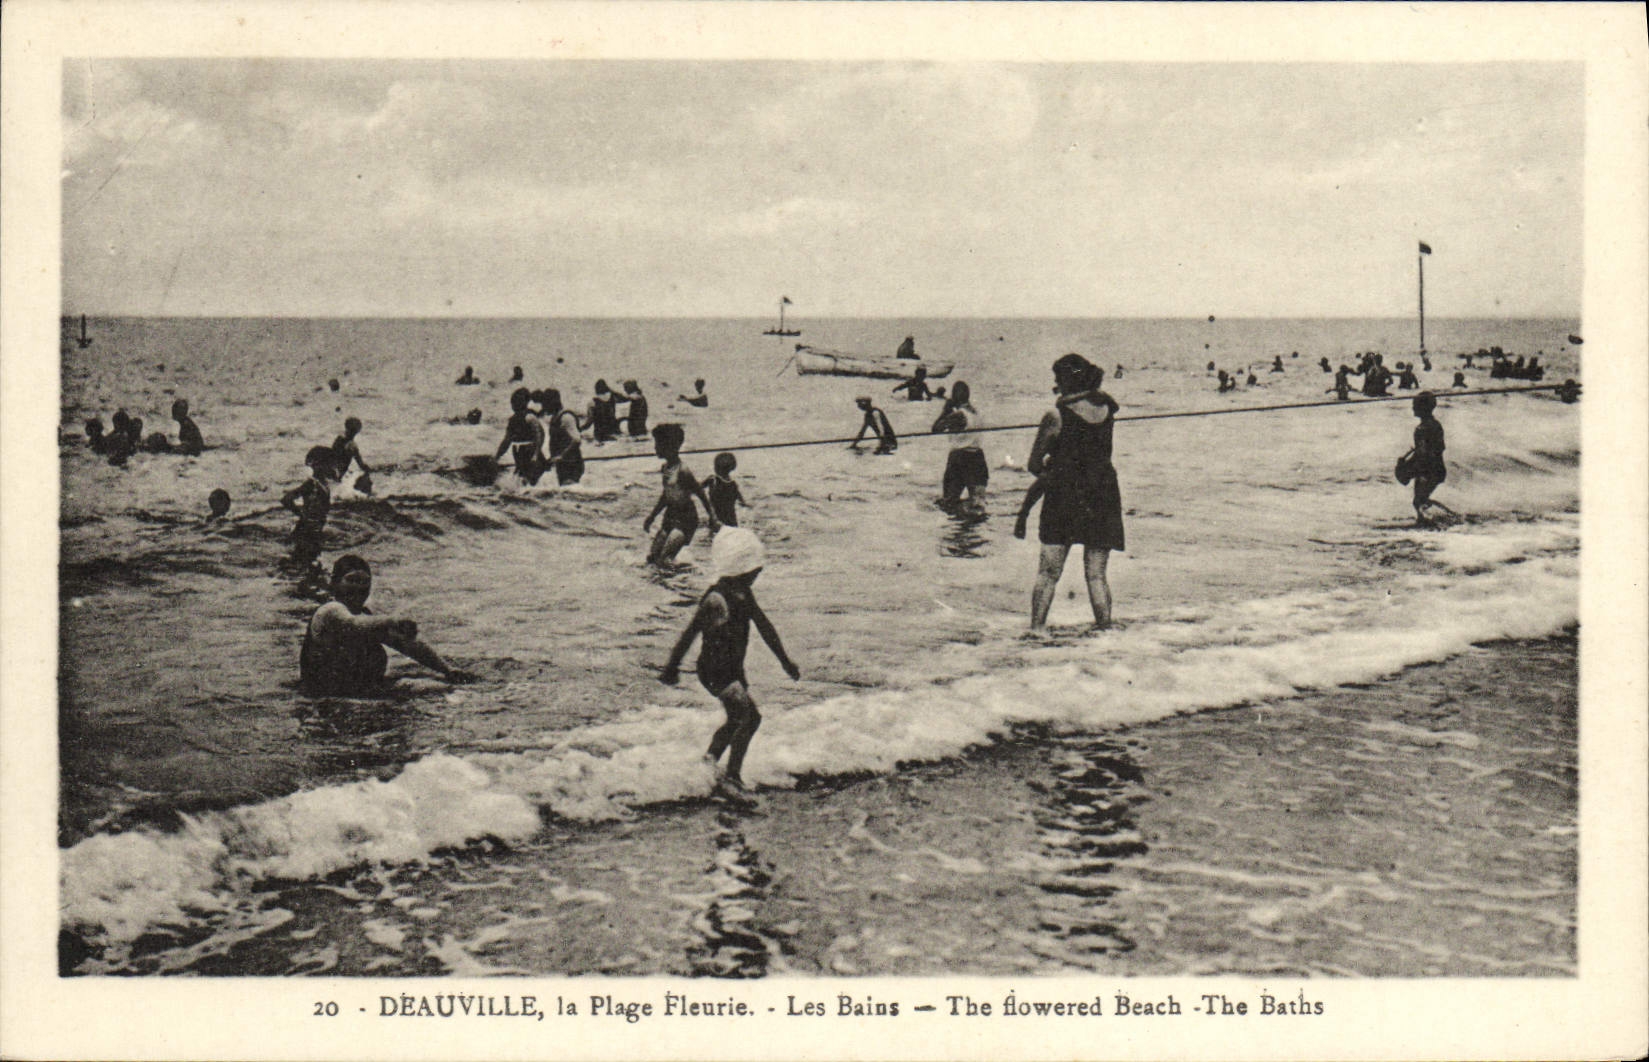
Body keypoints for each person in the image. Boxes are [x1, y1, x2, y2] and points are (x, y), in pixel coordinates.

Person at [660, 528, 799, 794]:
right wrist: (671, 666)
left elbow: (764, 625)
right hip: (715, 670)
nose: (758, 573)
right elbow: (691, 632)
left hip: (732, 668)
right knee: (749, 717)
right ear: (741, 569)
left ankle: (709, 766)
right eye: (755, 569)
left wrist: (785, 661)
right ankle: (731, 776)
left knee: (738, 719)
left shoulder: (743, 593)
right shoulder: (716, 598)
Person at [1025, 354, 1124, 632]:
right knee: (1096, 575)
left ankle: (1036, 632)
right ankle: (1106, 631)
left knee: (1048, 573)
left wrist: (1049, 468)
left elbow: (1033, 464)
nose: (1055, 383)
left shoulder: (1055, 415)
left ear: (1068, 379)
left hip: (1065, 495)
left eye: (1058, 378)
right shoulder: (1107, 408)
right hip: (1103, 492)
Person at [300, 554, 474, 695]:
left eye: (364, 582)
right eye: (351, 580)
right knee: (436, 690)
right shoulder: (330, 610)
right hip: (327, 694)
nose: (358, 587)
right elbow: (354, 624)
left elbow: (407, 645)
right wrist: (393, 621)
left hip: (359, 691)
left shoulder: (366, 617)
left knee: (442, 687)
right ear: (335, 583)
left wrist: (447, 670)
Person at [643, 423, 718, 566]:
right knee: (652, 558)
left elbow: (700, 493)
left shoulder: (683, 471)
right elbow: (666, 495)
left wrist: (712, 517)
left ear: (670, 446)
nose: (655, 448)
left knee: (665, 560)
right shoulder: (665, 468)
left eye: (658, 444)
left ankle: (682, 583)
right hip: (670, 516)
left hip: (686, 520)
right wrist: (652, 516)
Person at [931, 381, 987, 510]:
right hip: (978, 458)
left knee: (948, 501)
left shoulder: (958, 415)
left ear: (955, 397)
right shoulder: (977, 413)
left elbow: (936, 429)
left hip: (959, 458)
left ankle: (955, 526)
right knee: (978, 503)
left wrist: (945, 410)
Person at [1405, 392, 1457, 526]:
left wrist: (1410, 467)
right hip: (1437, 468)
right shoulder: (1436, 425)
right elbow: (1438, 449)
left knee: (1419, 501)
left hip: (1427, 470)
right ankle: (1440, 520)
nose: (1413, 408)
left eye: (1415, 405)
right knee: (1420, 500)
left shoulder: (1421, 429)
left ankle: (1446, 519)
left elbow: (1423, 453)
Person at [282, 446, 336, 567]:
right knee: (306, 564)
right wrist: (302, 514)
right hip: (308, 532)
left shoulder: (322, 483)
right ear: (318, 465)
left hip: (312, 531)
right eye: (329, 463)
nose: (332, 467)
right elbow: (286, 499)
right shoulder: (312, 484)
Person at [493, 387, 546, 485]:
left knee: (530, 478)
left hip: (530, 452)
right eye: (513, 403)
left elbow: (540, 436)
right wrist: (497, 457)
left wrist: (536, 454)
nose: (514, 405)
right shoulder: (513, 420)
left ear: (524, 403)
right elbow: (507, 440)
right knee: (522, 478)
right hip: (519, 453)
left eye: (516, 402)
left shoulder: (530, 417)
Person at [539, 388, 585, 485]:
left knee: (569, 490)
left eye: (545, 404)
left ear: (553, 402)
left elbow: (577, 440)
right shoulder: (555, 417)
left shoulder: (566, 417)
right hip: (563, 464)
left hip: (571, 463)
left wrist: (562, 456)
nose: (544, 407)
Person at [706, 452, 744, 528]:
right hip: (731, 519)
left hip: (716, 518)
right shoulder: (733, 484)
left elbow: (697, 487)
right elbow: (740, 499)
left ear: (716, 468)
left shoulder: (713, 479)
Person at [329, 416, 371, 484]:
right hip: (339, 475)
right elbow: (361, 465)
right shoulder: (352, 446)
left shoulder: (338, 439)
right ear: (357, 432)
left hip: (332, 469)